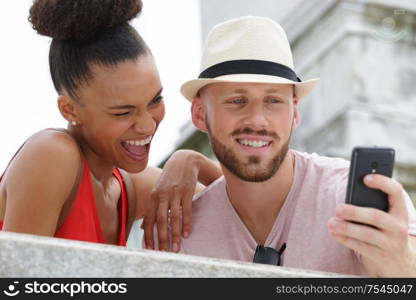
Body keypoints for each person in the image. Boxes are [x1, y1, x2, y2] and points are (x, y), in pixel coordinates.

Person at [145, 16, 416, 276]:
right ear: (200, 114)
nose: (257, 120)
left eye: (273, 101)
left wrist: (401, 266)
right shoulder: (176, 237)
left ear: (295, 112)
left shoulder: (347, 197)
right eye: (237, 101)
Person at [0, 0, 221, 247]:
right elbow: (15, 281)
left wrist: (194, 160)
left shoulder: (127, 187)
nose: (147, 126)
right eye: (123, 113)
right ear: (69, 109)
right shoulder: (52, 155)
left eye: (155, 100)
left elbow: (247, 204)